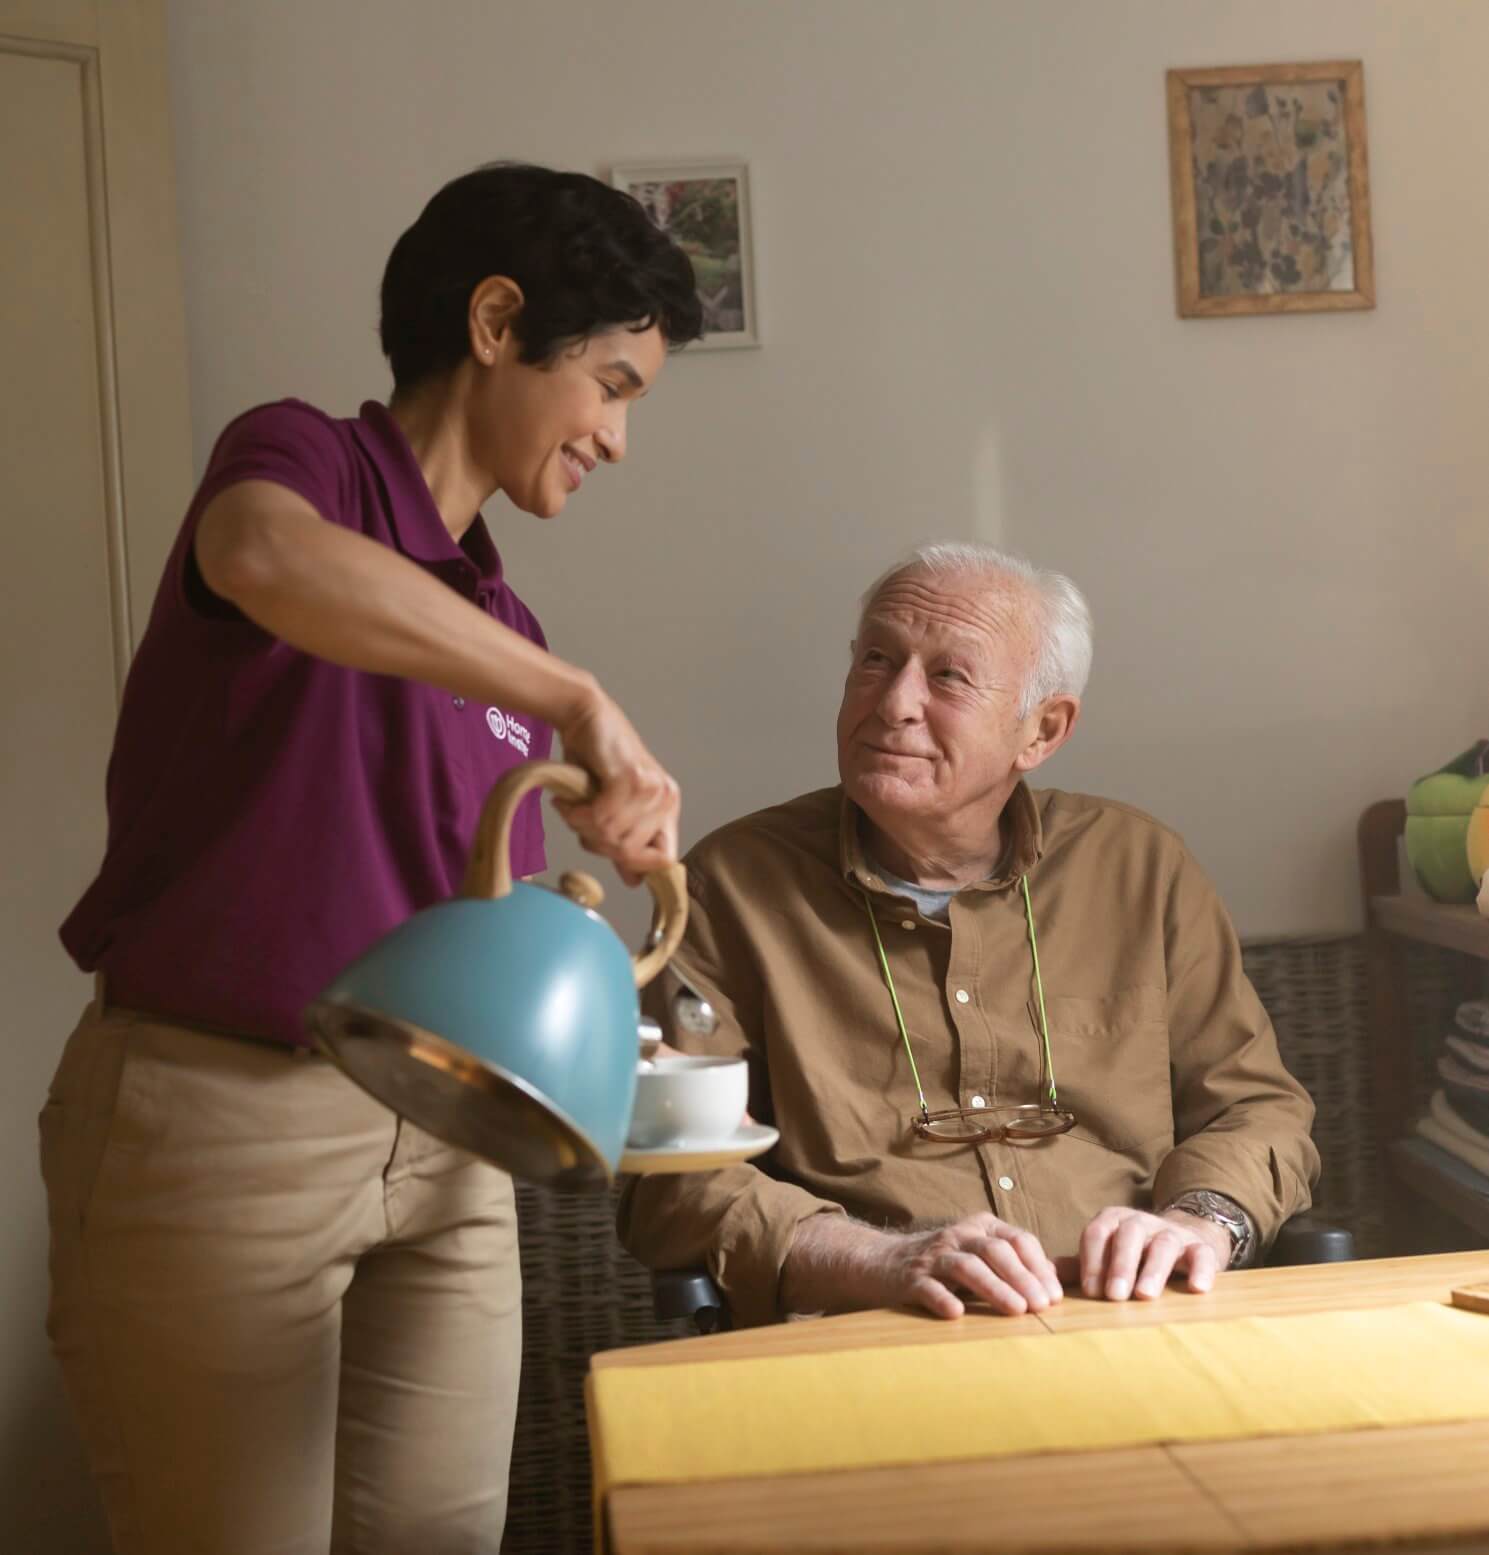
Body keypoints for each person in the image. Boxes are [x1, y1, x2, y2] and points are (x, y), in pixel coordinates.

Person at [41, 162, 703, 1554]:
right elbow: (267, 559)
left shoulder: (494, 611)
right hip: (225, 1122)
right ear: (496, 321)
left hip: (449, 1139)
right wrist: (577, 695)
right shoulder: (301, 461)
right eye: (615, 385)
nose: (619, 440)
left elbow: (456, 927)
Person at [618, 542, 1320, 1328]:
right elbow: (666, 1179)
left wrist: (1199, 1220)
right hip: (877, 1333)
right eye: (876, 660)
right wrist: (873, 1258)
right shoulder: (729, 886)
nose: (893, 702)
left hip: (1132, 1313)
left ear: (1041, 731)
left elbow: (1255, 1108)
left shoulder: (1138, 867)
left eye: (947, 676)